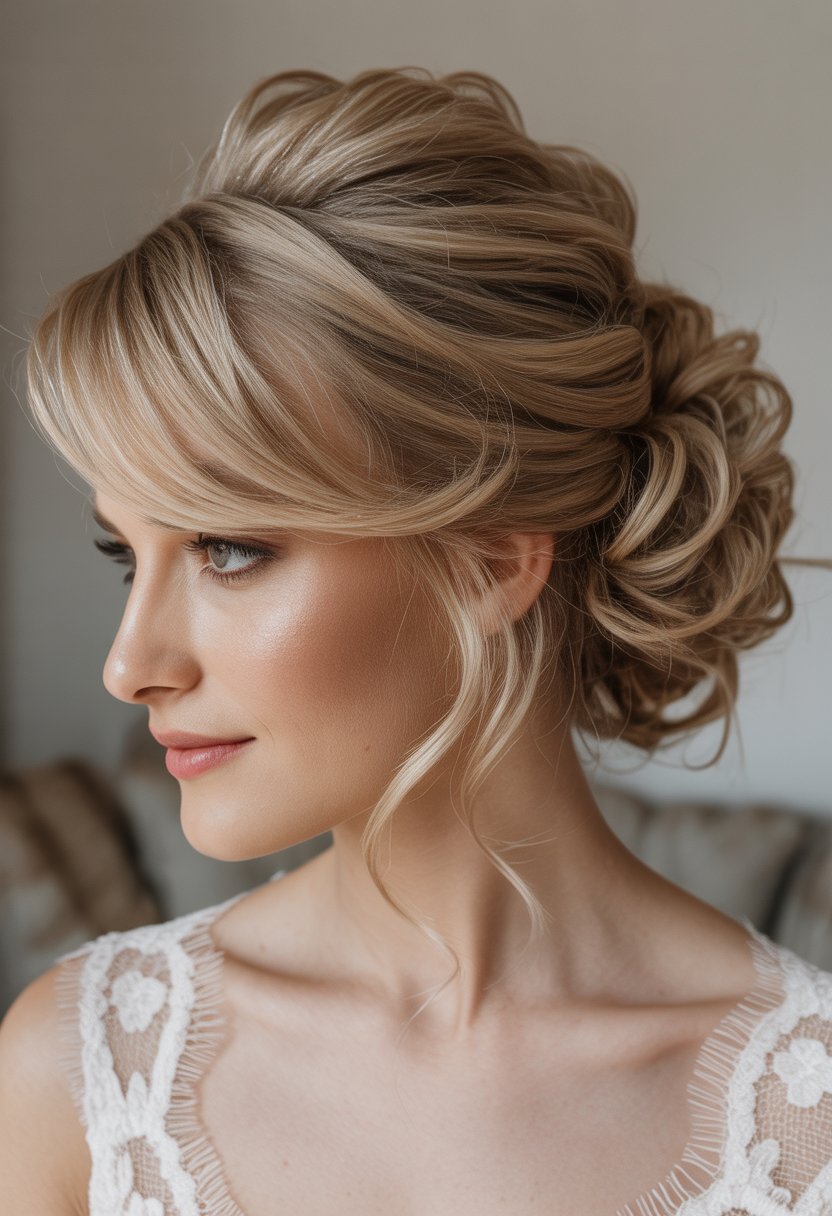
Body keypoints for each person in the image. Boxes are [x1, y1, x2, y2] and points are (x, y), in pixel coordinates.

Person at [1, 65, 831, 1216]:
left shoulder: (809, 1118)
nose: (132, 661)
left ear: (493, 558)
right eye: (123, 556)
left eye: (228, 547)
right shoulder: (76, 1076)